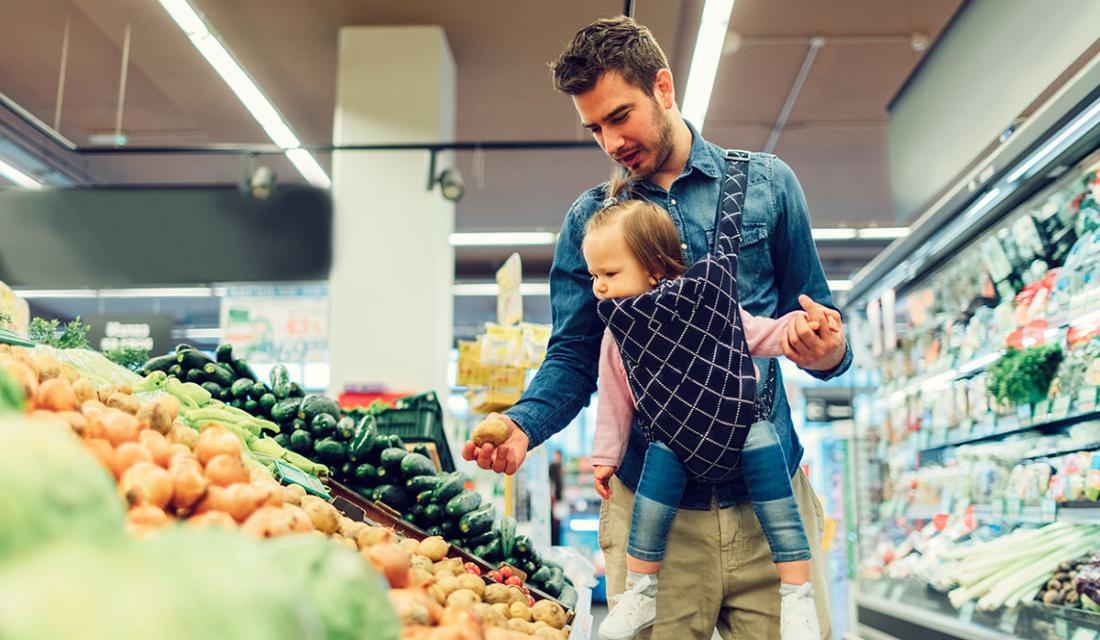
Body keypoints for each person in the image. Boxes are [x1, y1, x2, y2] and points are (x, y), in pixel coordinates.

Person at [463, 16, 850, 640]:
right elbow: (573, 358)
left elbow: (819, 322)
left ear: (664, 89)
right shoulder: (590, 221)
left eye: (620, 116)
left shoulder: (769, 186)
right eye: (595, 128)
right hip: (652, 516)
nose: (611, 142)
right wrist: (522, 423)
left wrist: (826, 348)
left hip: (770, 507)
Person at [583, 179, 835, 640]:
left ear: (655, 267)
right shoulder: (617, 333)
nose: (599, 288)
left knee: (773, 479)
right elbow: (614, 400)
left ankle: (795, 595)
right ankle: (642, 588)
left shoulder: (710, 304)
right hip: (674, 445)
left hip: (743, 431)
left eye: (611, 275)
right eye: (594, 277)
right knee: (654, 495)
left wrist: (799, 326)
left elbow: (761, 334)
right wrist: (607, 457)